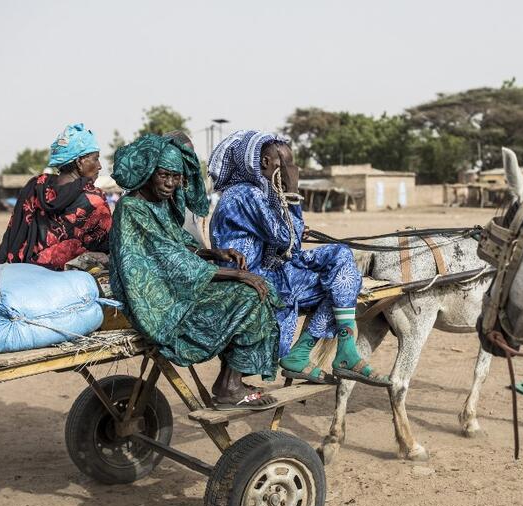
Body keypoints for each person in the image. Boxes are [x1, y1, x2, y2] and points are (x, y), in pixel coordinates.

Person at [109, 133, 282, 409]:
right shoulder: (132, 208)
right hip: (157, 302)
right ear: (148, 173)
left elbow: (176, 245)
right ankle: (229, 387)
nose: (170, 184)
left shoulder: (158, 205)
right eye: (164, 175)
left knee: (260, 290)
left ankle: (231, 380)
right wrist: (238, 274)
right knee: (250, 295)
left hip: (174, 287)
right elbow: (170, 259)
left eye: (176, 177)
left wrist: (213, 253)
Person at [209, 130, 390, 387]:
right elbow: (287, 241)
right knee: (341, 270)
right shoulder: (246, 195)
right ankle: (332, 353)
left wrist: (290, 224)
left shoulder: (253, 194)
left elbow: (286, 241)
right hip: (252, 278)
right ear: (265, 162)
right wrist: (293, 191)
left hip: (268, 270)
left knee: (342, 278)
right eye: (286, 163)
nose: (291, 170)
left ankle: (312, 352)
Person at [0, 123, 112, 270]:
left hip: (26, 269)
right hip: (66, 276)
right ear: (79, 162)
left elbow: (14, 230)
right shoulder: (94, 199)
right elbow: (105, 244)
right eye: (95, 158)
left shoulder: (36, 185)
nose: (99, 166)